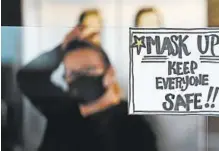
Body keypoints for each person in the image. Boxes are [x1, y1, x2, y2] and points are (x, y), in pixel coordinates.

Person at [16, 26, 158, 151]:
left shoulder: (133, 127)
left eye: (88, 70)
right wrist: (61, 49)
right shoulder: (64, 110)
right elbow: (29, 78)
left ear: (110, 74)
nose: (80, 78)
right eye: (72, 73)